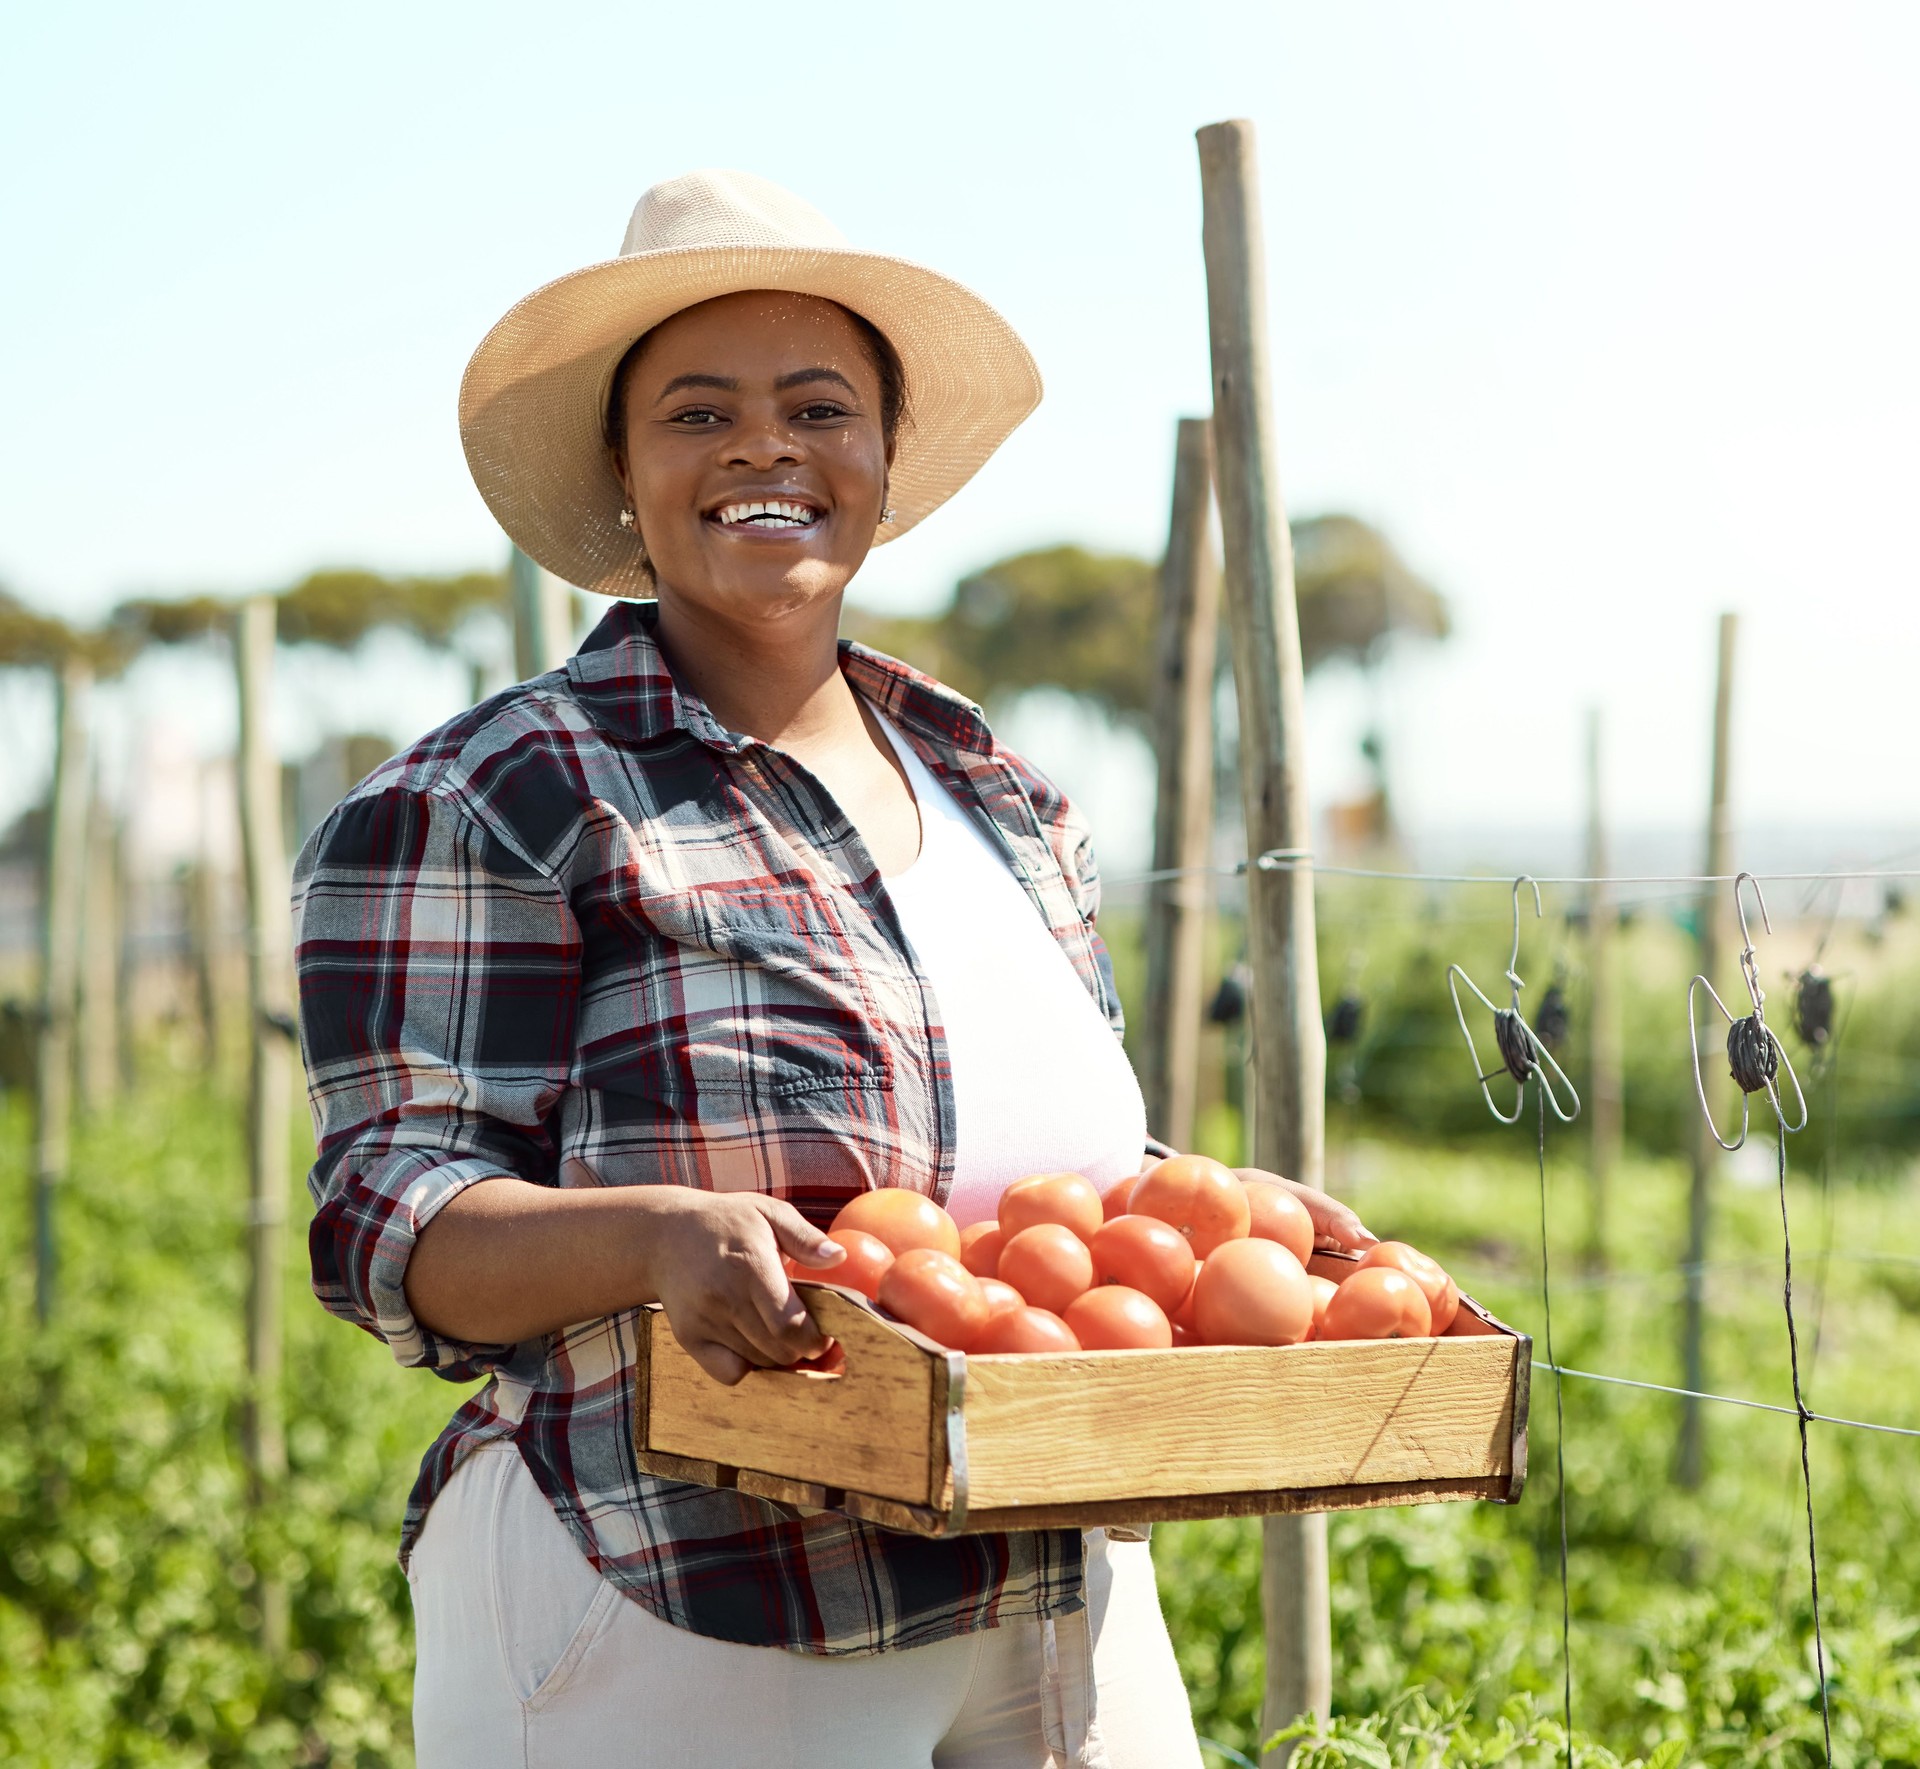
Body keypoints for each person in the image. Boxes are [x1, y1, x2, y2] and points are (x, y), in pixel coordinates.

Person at [294, 168, 1375, 1769]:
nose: (764, 448)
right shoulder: (494, 798)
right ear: (623, 467)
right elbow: (390, 1216)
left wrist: (1212, 1210)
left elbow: (1015, 1168)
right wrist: (659, 1235)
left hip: (1049, 1582)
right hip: (684, 1586)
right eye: (696, 411)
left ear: (879, 455)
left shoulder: (1000, 790)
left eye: (819, 404)